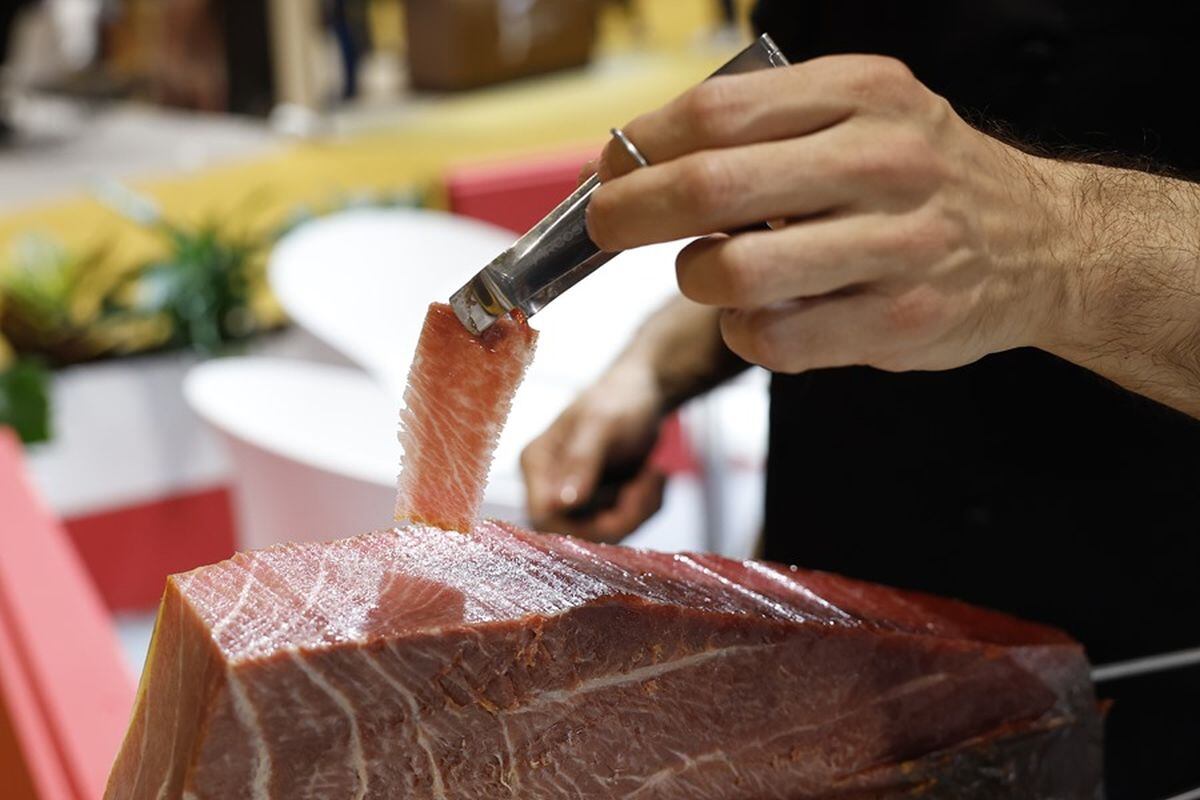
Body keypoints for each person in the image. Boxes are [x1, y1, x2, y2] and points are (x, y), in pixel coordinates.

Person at [520, 2, 1200, 797]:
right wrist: (652, 371)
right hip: (827, 678)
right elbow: (838, 218)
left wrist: (1056, 246)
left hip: (1159, 695)